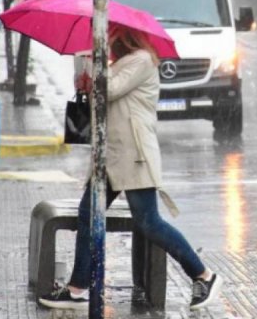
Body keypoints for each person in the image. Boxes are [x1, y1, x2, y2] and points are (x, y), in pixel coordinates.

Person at [38, 26, 223, 311]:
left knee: (149, 222)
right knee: (88, 215)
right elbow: (103, 100)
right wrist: (84, 83)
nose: (106, 41)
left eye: (109, 36)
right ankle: (77, 288)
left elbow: (110, 90)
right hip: (111, 156)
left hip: (134, 154)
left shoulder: (140, 60)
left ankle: (203, 275)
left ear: (124, 37)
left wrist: (94, 69)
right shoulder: (121, 64)